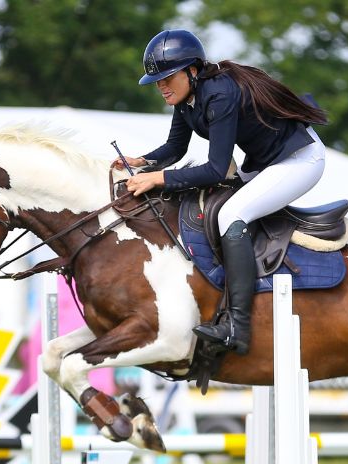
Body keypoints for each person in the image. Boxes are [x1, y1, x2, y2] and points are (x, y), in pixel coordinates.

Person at [113, 28, 328, 356]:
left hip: (300, 159)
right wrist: (143, 161)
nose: (162, 86)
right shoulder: (187, 98)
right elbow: (175, 147)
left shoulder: (219, 94)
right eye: (157, 80)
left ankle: (237, 326)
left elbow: (215, 169)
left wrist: (157, 179)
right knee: (221, 206)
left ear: (193, 71)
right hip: (266, 161)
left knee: (231, 214)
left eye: (168, 78)